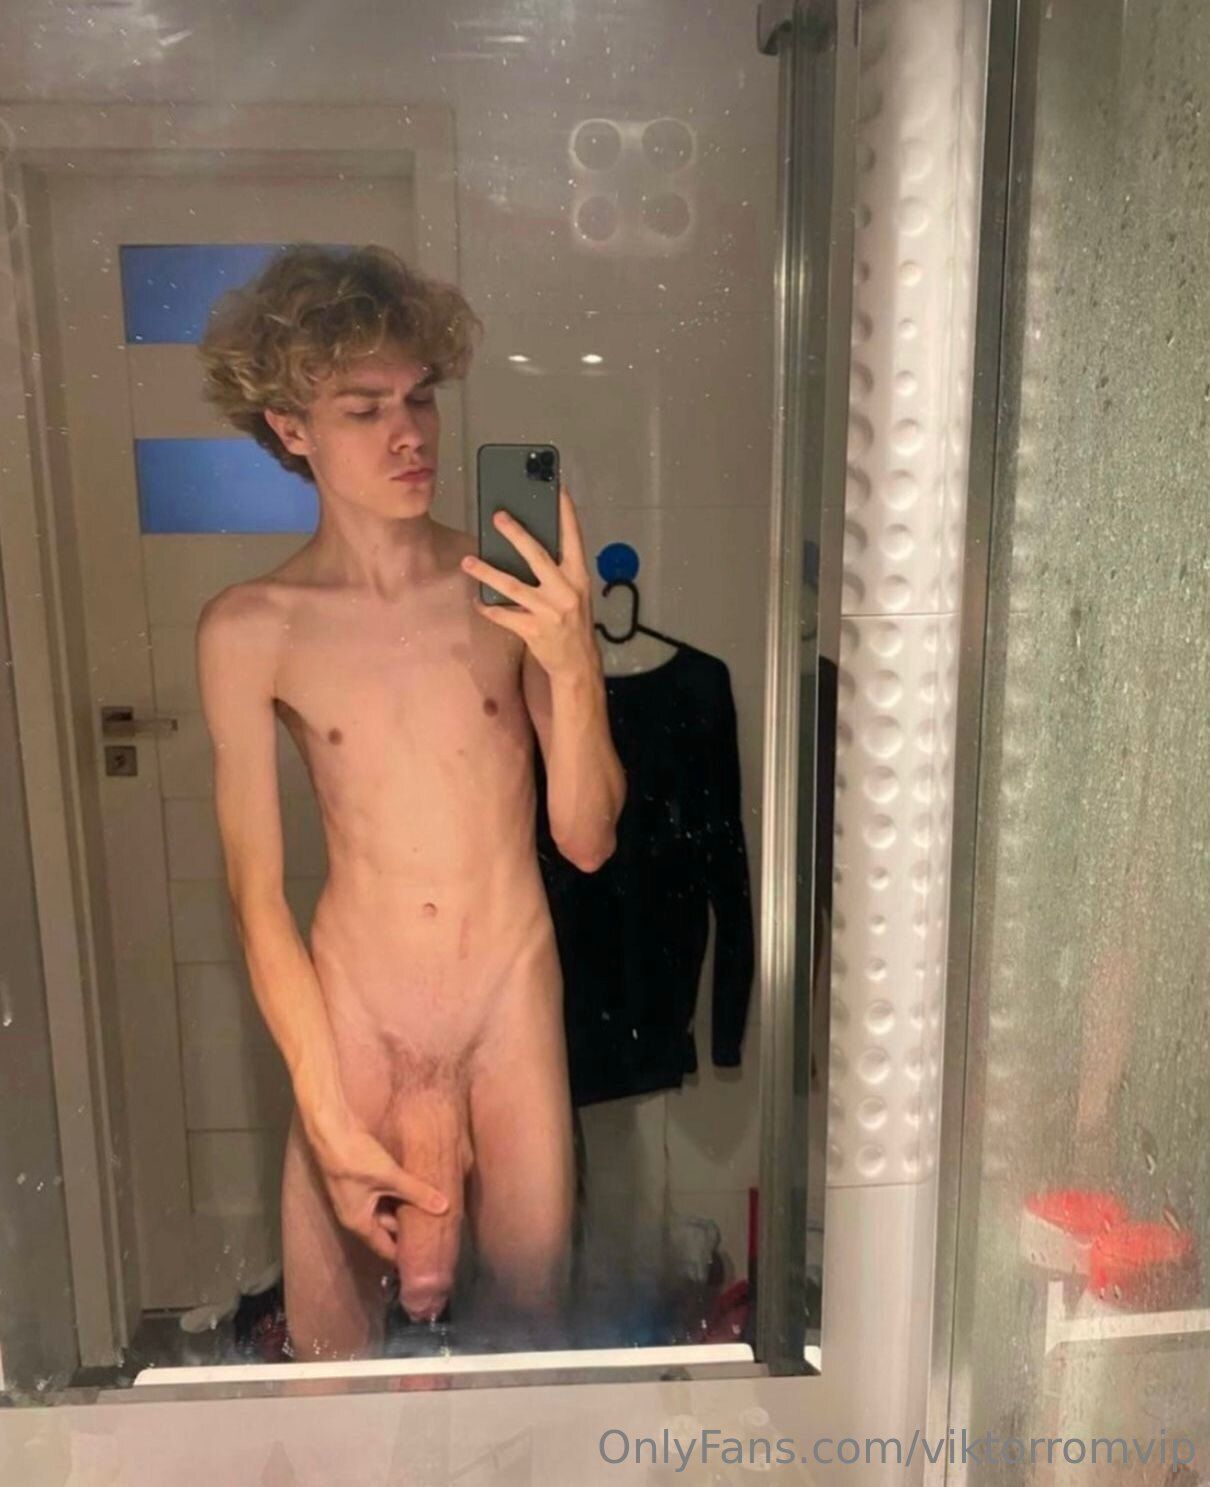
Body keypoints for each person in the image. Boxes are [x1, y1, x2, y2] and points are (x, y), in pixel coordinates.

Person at [195, 244, 626, 1359]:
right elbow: (254, 895)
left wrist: (573, 660)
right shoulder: (251, 627)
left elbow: (587, 838)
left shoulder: (507, 589)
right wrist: (321, 1103)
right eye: (364, 407)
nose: (410, 435)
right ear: (290, 427)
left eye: (421, 397)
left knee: (529, 1349)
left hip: (506, 993)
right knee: (331, 1367)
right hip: (357, 1009)